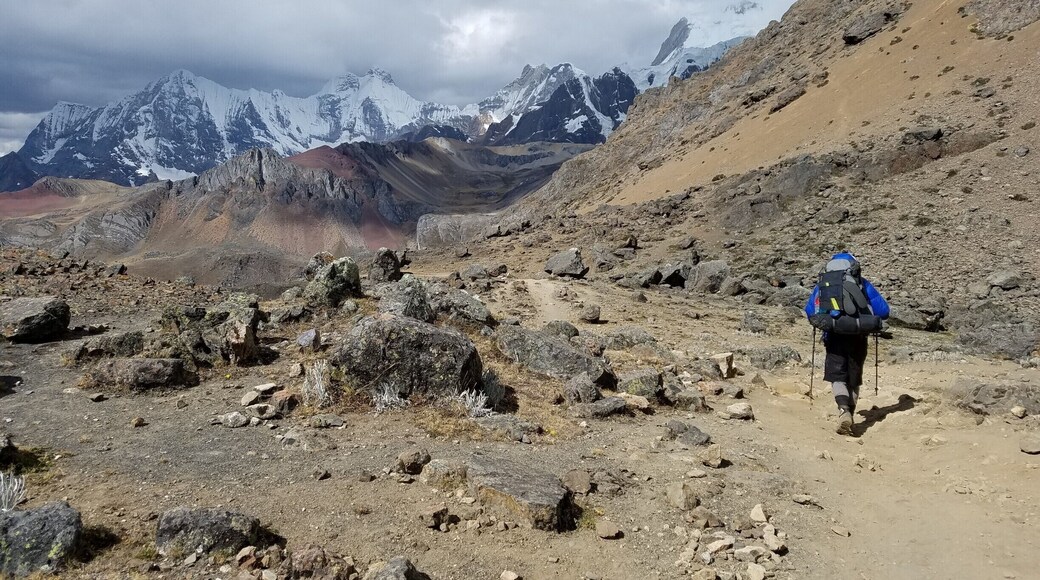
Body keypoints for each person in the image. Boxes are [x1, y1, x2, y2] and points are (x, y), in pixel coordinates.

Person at [804, 252, 890, 435]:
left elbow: (810, 310)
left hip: (834, 335)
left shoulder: (824, 283)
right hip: (858, 335)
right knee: (853, 377)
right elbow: (883, 311)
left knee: (837, 376)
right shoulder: (862, 283)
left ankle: (844, 411)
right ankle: (851, 413)